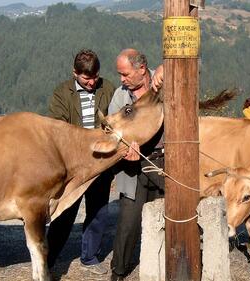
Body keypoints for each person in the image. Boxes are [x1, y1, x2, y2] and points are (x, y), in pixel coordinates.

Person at [47, 49, 115, 275]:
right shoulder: (61, 93)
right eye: (86, 78)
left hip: (100, 161)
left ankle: (90, 256)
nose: (91, 82)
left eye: (95, 77)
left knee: (98, 211)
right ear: (75, 73)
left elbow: (116, 119)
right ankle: (48, 259)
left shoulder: (108, 89)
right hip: (73, 164)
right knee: (65, 212)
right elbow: (58, 128)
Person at [108, 48, 165, 281]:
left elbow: (196, 66)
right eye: (120, 74)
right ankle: (118, 271)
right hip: (133, 166)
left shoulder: (163, 82)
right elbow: (111, 132)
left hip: (164, 161)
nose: (121, 79)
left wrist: (167, 67)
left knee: (166, 217)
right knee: (129, 222)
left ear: (142, 70)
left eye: (125, 74)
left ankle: (164, 265)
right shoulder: (121, 96)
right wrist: (124, 149)